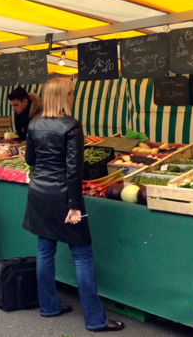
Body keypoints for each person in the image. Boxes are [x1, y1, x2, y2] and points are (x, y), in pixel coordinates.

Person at [23, 78, 124, 333]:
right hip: (63, 197)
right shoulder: (72, 126)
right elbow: (74, 171)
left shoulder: (34, 123)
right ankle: (94, 319)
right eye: (71, 93)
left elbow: (30, 159)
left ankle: (48, 306)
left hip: (39, 193)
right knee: (82, 255)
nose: (72, 97)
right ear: (66, 96)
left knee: (45, 250)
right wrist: (76, 206)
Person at [0, 87, 43, 157]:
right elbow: (26, 136)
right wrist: (15, 139)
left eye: (16, 105)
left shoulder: (39, 116)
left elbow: (34, 140)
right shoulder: (25, 113)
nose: (13, 109)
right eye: (12, 105)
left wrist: (11, 151)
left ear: (25, 102)